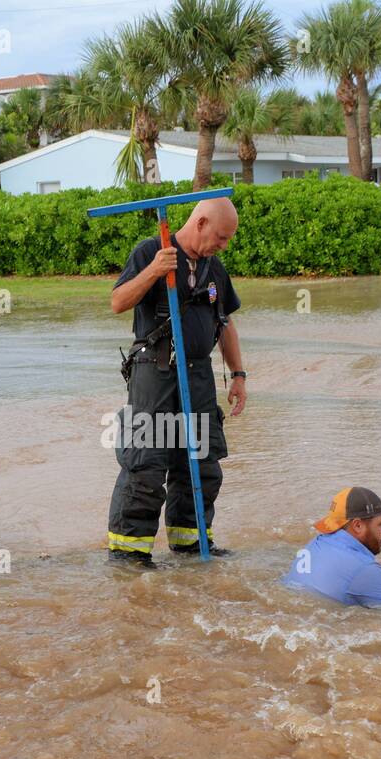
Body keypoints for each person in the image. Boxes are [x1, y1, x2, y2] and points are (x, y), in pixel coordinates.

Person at [107, 197, 247, 565]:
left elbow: (226, 323)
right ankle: (129, 555)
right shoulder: (151, 251)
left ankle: (191, 543)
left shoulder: (214, 269)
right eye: (220, 236)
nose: (223, 245)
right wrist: (154, 271)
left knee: (201, 463)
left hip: (199, 377)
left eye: (228, 239)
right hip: (154, 374)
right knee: (146, 467)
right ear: (200, 222)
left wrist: (238, 374)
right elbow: (118, 302)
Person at [283, 487, 381, 608]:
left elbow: (346, 568)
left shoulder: (316, 543)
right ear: (357, 526)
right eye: (380, 524)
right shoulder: (365, 570)